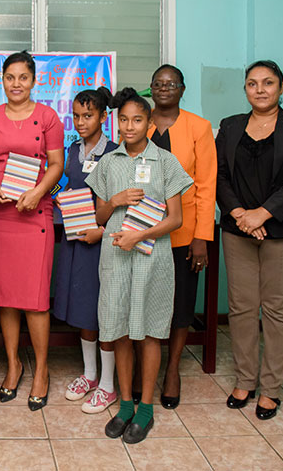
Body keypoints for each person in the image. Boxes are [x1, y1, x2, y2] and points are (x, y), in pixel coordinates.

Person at [86, 87, 193, 444]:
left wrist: (139, 235)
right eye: (124, 119)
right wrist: (114, 201)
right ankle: (126, 403)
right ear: (116, 122)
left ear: (149, 122)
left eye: (137, 120)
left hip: (153, 258)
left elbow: (175, 219)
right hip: (115, 257)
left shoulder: (165, 162)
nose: (129, 126)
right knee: (117, 330)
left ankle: (146, 406)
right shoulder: (108, 162)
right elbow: (100, 215)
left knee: (148, 331)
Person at [217, 60, 283, 420]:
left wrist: (264, 214)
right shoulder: (230, 127)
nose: (260, 89)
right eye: (252, 83)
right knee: (242, 309)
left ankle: (271, 388)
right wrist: (242, 214)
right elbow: (220, 176)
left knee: (276, 311)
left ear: (281, 87)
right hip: (238, 229)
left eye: (268, 83)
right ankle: (245, 379)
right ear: (245, 89)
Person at [0, 51, 65, 411]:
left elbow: (56, 165)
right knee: (5, 297)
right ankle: (13, 366)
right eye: (10, 77)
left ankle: (41, 370)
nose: (16, 84)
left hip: (34, 214)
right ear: (2, 80)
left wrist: (38, 192)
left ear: (33, 80)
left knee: (35, 299)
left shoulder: (48, 117)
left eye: (23, 77)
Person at [145, 64, 217, 409]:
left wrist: (202, 236)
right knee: (143, 302)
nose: (164, 88)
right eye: (158, 84)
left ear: (182, 89)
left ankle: (172, 368)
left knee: (181, 305)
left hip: (185, 233)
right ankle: (145, 367)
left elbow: (206, 185)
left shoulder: (199, 128)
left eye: (171, 84)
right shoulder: (137, 123)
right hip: (141, 230)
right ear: (150, 89)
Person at [52, 88, 119, 414]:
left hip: (102, 242)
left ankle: (108, 384)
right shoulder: (71, 150)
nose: (80, 122)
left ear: (104, 117)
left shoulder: (116, 153)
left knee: (103, 310)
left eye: (88, 116)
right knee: (82, 307)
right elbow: (64, 187)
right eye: (76, 116)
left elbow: (120, 205)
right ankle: (90, 374)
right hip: (76, 239)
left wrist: (101, 230)